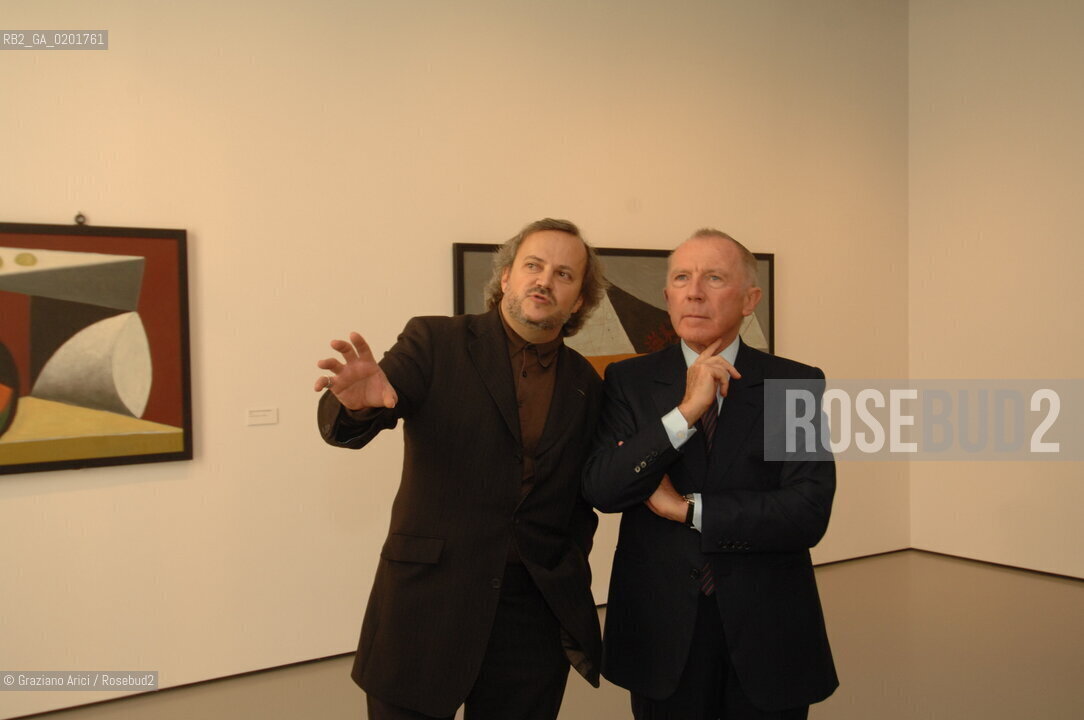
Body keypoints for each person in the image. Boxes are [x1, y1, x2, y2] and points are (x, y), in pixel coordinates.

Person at [315, 218, 607, 720]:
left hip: (530, 620)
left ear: (579, 298)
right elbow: (359, 418)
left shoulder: (586, 382)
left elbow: (579, 500)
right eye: (533, 266)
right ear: (507, 277)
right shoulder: (434, 341)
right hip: (426, 607)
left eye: (564, 274)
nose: (544, 281)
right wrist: (359, 407)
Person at [583, 229, 837, 720]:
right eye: (682, 277)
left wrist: (689, 509)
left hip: (769, 628)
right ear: (668, 296)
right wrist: (684, 413)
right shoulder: (627, 382)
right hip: (662, 629)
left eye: (714, 278)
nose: (694, 291)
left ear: (750, 300)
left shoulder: (794, 384)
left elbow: (808, 511)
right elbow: (603, 487)